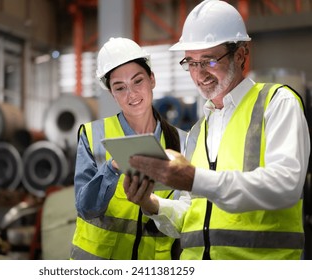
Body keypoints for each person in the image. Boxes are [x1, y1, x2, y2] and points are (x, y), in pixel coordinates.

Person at [123, 0, 310, 260]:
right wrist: (150, 203)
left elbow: (285, 186)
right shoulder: (199, 130)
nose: (199, 74)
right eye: (191, 62)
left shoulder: (277, 103)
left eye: (209, 61)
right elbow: (191, 214)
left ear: (241, 55)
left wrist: (194, 178)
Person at [70, 37, 187, 260]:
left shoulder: (182, 141)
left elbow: (188, 215)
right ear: (111, 93)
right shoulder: (93, 135)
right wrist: (112, 168)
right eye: (120, 87)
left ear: (152, 79)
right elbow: (85, 208)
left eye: (138, 81)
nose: (131, 94)